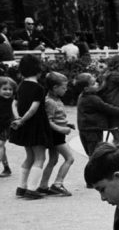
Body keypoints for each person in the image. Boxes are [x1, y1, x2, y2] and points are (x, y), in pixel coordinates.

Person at [8, 54, 50, 199]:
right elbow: (34, 108)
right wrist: (23, 120)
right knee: (40, 157)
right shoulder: (39, 88)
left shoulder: (20, 86)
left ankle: (21, 186)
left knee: (29, 157)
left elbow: (14, 103)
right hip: (36, 125)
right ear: (38, 70)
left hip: (24, 125)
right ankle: (32, 189)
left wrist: (18, 118)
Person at [39, 72, 75, 197]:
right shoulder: (50, 102)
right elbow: (48, 121)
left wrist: (67, 124)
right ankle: (58, 184)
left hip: (57, 133)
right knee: (70, 158)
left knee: (53, 160)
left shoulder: (56, 99)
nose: (66, 90)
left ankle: (43, 185)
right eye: (64, 87)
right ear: (55, 87)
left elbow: (57, 118)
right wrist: (61, 129)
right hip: (56, 135)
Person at [0, 75, 14, 176]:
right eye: (5, 89)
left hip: (5, 126)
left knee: (0, 145)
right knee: (2, 148)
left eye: (10, 89)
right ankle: (6, 168)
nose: (8, 91)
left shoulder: (12, 102)